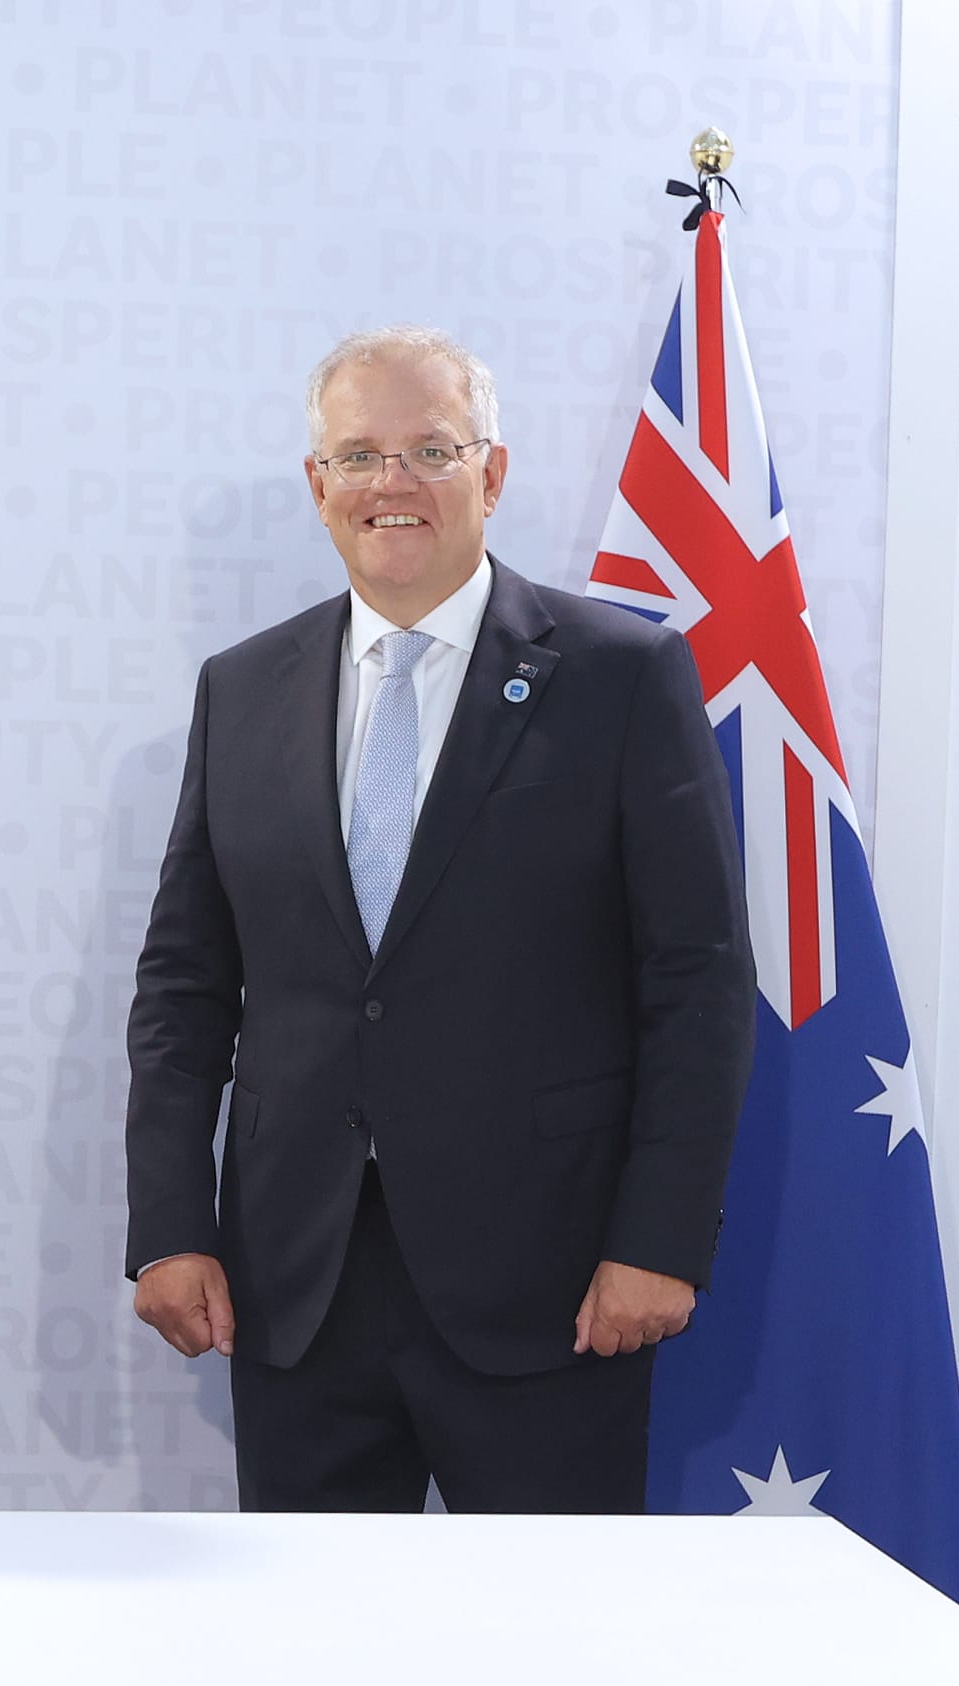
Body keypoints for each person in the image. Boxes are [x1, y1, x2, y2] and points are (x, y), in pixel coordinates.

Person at [124, 326, 754, 1513]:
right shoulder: (242, 689)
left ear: (492, 474)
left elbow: (698, 983)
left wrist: (658, 1242)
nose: (392, 484)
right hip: (297, 1293)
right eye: (358, 456)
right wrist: (168, 1226)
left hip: (555, 1292)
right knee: (313, 1674)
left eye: (430, 449)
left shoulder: (622, 677)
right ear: (319, 488)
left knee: (545, 1677)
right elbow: (184, 991)